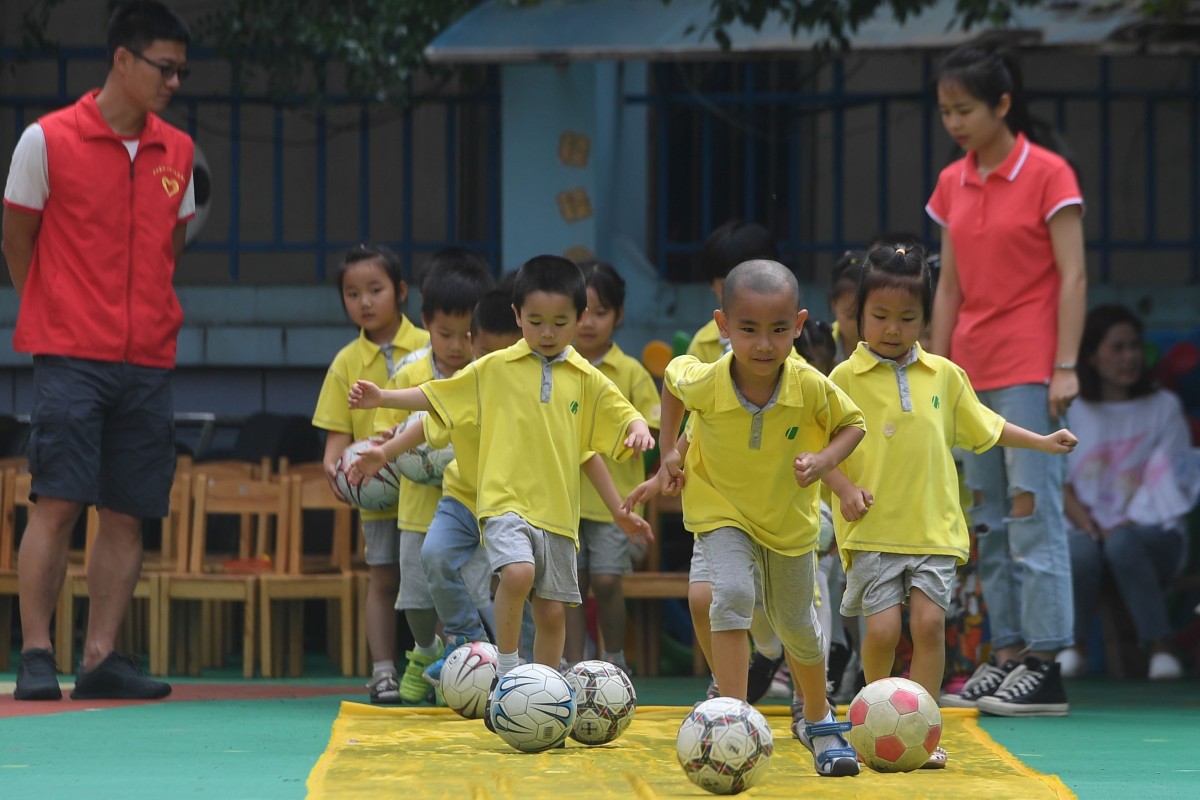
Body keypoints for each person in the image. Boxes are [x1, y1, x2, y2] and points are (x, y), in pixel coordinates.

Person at [348, 256, 653, 704]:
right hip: (502, 505)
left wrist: (638, 432)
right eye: (535, 321)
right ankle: (507, 671)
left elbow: (614, 425)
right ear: (517, 316)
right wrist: (383, 396)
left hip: (558, 515)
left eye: (559, 322)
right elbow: (437, 396)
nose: (546, 333)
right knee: (518, 571)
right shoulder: (493, 369)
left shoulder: (588, 379)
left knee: (550, 612)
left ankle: (540, 696)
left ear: (580, 318)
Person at [1, 1, 193, 701]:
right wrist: (51, 307)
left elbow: (171, 248)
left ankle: (103, 657)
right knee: (57, 498)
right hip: (70, 354)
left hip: (148, 357)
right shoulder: (45, 140)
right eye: (164, 68)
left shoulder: (180, 153)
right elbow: (16, 239)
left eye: (180, 71)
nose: (174, 82)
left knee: (128, 507)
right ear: (123, 59)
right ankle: (36, 655)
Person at [824, 245, 1078, 765]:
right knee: (882, 631)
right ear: (856, 316)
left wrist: (1043, 441)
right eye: (879, 317)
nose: (893, 329)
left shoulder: (945, 375)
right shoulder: (840, 381)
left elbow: (988, 426)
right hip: (871, 530)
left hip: (933, 531)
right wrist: (845, 490)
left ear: (927, 318)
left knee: (929, 626)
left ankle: (922, 731)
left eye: (908, 318)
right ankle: (875, 722)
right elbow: (816, 448)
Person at [633, 259, 867, 777]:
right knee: (731, 594)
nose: (764, 344)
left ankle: (817, 717)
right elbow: (672, 383)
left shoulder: (808, 385)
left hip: (787, 521)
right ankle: (733, 719)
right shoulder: (708, 379)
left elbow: (853, 424)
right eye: (749, 329)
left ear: (800, 325)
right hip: (721, 509)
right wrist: (669, 450)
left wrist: (826, 462)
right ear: (722, 326)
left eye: (779, 330)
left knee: (799, 628)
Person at [927, 40, 1087, 716]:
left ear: (1001, 104)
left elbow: (1073, 275)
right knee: (987, 523)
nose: (955, 122)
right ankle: (1007, 652)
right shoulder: (951, 182)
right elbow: (948, 291)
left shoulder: (1050, 174)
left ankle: (1046, 661)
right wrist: (934, 375)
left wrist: (1066, 366)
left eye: (965, 109)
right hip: (968, 367)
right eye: (945, 111)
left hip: (1029, 365)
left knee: (1032, 516)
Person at [368, 248, 495, 703]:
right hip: (417, 508)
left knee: (469, 591)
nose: (458, 345)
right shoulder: (409, 374)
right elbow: (388, 429)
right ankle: (424, 651)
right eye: (446, 334)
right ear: (425, 323)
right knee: (417, 598)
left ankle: (464, 668)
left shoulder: (487, 375)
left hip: (470, 507)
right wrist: (384, 447)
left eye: (467, 335)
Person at [684, 219, 795, 703]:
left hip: (779, 497)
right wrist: (672, 459)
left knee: (784, 606)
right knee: (706, 596)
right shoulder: (703, 346)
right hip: (715, 493)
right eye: (722, 281)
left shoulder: (792, 352)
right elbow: (689, 411)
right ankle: (729, 685)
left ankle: (789, 673)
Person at [311, 243, 428, 704]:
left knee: (435, 583)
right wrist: (336, 472)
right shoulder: (345, 362)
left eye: (375, 290)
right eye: (352, 293)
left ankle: (441, 666)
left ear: (400, 292)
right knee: (382, 579)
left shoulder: (428, 345)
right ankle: (383, 671)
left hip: (428, 493)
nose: (364, 301)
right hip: (376, 493)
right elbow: (336, 440)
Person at [1057, 305, 1199, 681]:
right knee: (1078, 548)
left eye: (1135, 346)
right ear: (1091, 355)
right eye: (1117, 347)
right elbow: (1059, 479)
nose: (1129, 356)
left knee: (1122, 544)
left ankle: (1161, 648)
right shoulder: (1073, 409)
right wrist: (1088, 524)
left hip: (1154, 536)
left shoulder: (1163, 407)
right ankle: (1074, 646)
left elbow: (1168, 479)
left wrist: (1120, 527)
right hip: (1089, 533)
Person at [565, 261, 662, 672]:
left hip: (615, 504)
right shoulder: (558, 367)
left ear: (618, 316)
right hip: (565, 500)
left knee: (606, 582)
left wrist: (640, 434)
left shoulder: (631, 372)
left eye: (600, 312)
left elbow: (653, 423)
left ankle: (614, 662)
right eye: (582, 312)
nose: (589, 323)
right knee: (570, 587)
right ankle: (570, 665)